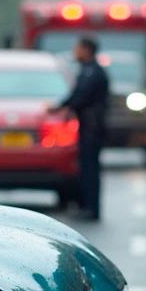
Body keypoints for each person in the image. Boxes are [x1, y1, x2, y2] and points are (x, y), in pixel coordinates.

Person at [47, 36, 109, 220]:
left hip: (92, 127)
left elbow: (80, 96)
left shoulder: (93, 72)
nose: (75, 52)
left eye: (78, 48)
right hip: (88, 126)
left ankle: (90, 207)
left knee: (90, 168)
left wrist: (59, 107)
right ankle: (86, 205)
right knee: (86, 167)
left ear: (86, 50)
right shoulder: (87, 70)